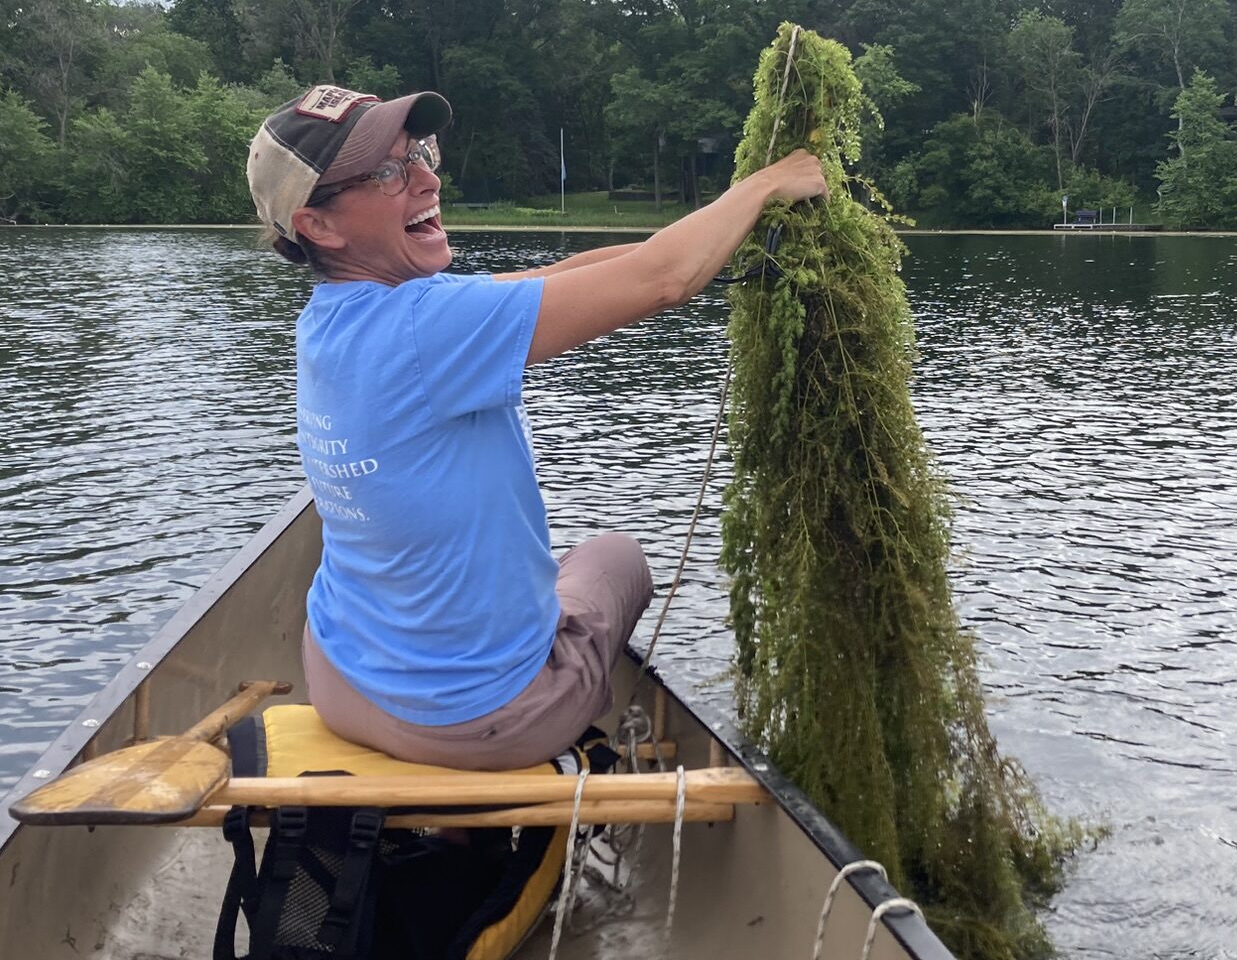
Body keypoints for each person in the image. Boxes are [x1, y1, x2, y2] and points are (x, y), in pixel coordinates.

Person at [247, 84, 826, 771]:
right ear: (318, 225)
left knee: (549, 576)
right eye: (389, 173)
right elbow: (665, 279)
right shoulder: (427, 326)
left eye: (421, 155)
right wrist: (768, 183)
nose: (428, 181)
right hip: (475, 721)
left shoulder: (341, 315)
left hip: (338, 680)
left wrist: (718, 239)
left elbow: (562, 274)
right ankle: (552, 757)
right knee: (615, 559)